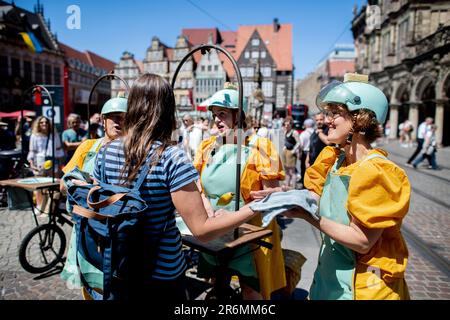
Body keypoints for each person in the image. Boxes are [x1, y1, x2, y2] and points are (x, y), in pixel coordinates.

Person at [89, 73, 259, 300]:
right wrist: (255, 208)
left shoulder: (105, 151)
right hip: (162, 273)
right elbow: (202, 230)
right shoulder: (171, 158)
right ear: (167, 110)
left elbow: (99, 209)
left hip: (120, 262)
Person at [255, 75, 411, 300]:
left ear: (360, 119)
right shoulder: (335, 159)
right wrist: (289, 195)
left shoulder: (376, 170)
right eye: (327, 113)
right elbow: (328, 203)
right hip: (329, 278)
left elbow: (362, 241)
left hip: (360, 288)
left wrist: (308, 216)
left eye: (335, 113)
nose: (325, 120)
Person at [193, 83, 286, 300]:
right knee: (217, 282)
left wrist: (272, 195)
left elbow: (272, 195)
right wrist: (207, 208)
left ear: (239, 115)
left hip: (251, 231)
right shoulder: (208, 147)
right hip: (214, 228)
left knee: (251, 290)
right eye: (215, 114)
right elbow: (198, 185)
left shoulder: (261, 147)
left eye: (223, 114)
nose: (216, 119)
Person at [60, 94, 128, 298]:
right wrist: (84, 186)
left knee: (117, 285)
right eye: (113, 116)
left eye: (124, 116)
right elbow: (64, 183)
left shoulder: (134, 151)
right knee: (89, 285)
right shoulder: (88, 146)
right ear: (104, 120)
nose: (118, 121)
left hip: (119, 231)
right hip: (87, 227)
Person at [27, 116, 64, 211]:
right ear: (38, 124)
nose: (44, 124)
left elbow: (59, 150)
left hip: (53, 160)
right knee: (39, 185)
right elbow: (32, 151)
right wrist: (32, 164)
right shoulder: (35, 135)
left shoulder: (54, 135)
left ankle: (52, 206)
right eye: (41, 122)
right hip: (39, 161)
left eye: (46, 122)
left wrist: (60, 165)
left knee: (54, 184)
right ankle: (39, 206)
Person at [282, 116, 300, 188]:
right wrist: (285, 147)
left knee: (292, 171)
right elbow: (286, 141)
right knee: (286, 170)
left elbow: (298, 143)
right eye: (285, 124)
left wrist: (294, 150)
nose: (286, 126)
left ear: (291, 125)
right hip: (286, 151)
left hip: (291, 152)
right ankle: (287, 185)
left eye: (288, 125)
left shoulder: (294, 132)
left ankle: (293, 187)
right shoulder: (285, 131)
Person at [298, 118, 314, 185]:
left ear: (305, 125)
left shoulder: (303, 134)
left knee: (303, 168)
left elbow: (300, 145)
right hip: (313, 152)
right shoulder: (315, 132)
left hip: (305, 152)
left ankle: (304, 182)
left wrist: (299, 153)